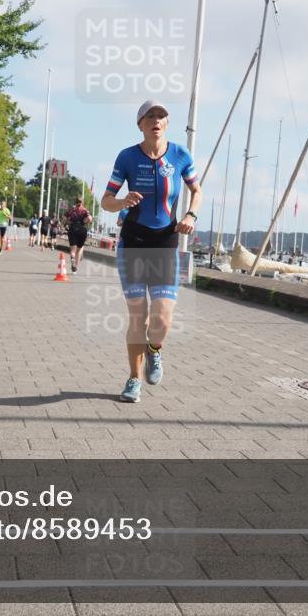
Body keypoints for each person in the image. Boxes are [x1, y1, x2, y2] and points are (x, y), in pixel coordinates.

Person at [100, 100, 202, 404]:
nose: (156, 120)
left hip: (165, 241)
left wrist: (189, 217)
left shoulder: (181, 155)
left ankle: (154, 351)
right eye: (149, 116)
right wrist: (122, 202)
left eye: (161, 116)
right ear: (140, 124)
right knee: (138, 317)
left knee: (162, 321)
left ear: (167, 123)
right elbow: (106, 200)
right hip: (133, 241)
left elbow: (197, 191)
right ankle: (133, 379)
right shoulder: (128, 157)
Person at [65, 197, 93, 272]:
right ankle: (76, 267)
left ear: (76, 202)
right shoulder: (85, 210)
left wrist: (68, 222)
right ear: (82, 202)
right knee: (79, 249)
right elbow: (90, 219)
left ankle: (72, 259)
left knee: (73, 250)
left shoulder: (71, 210)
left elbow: (64, 218)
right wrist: (85, 221)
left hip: (73, 228)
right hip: (82, 230)